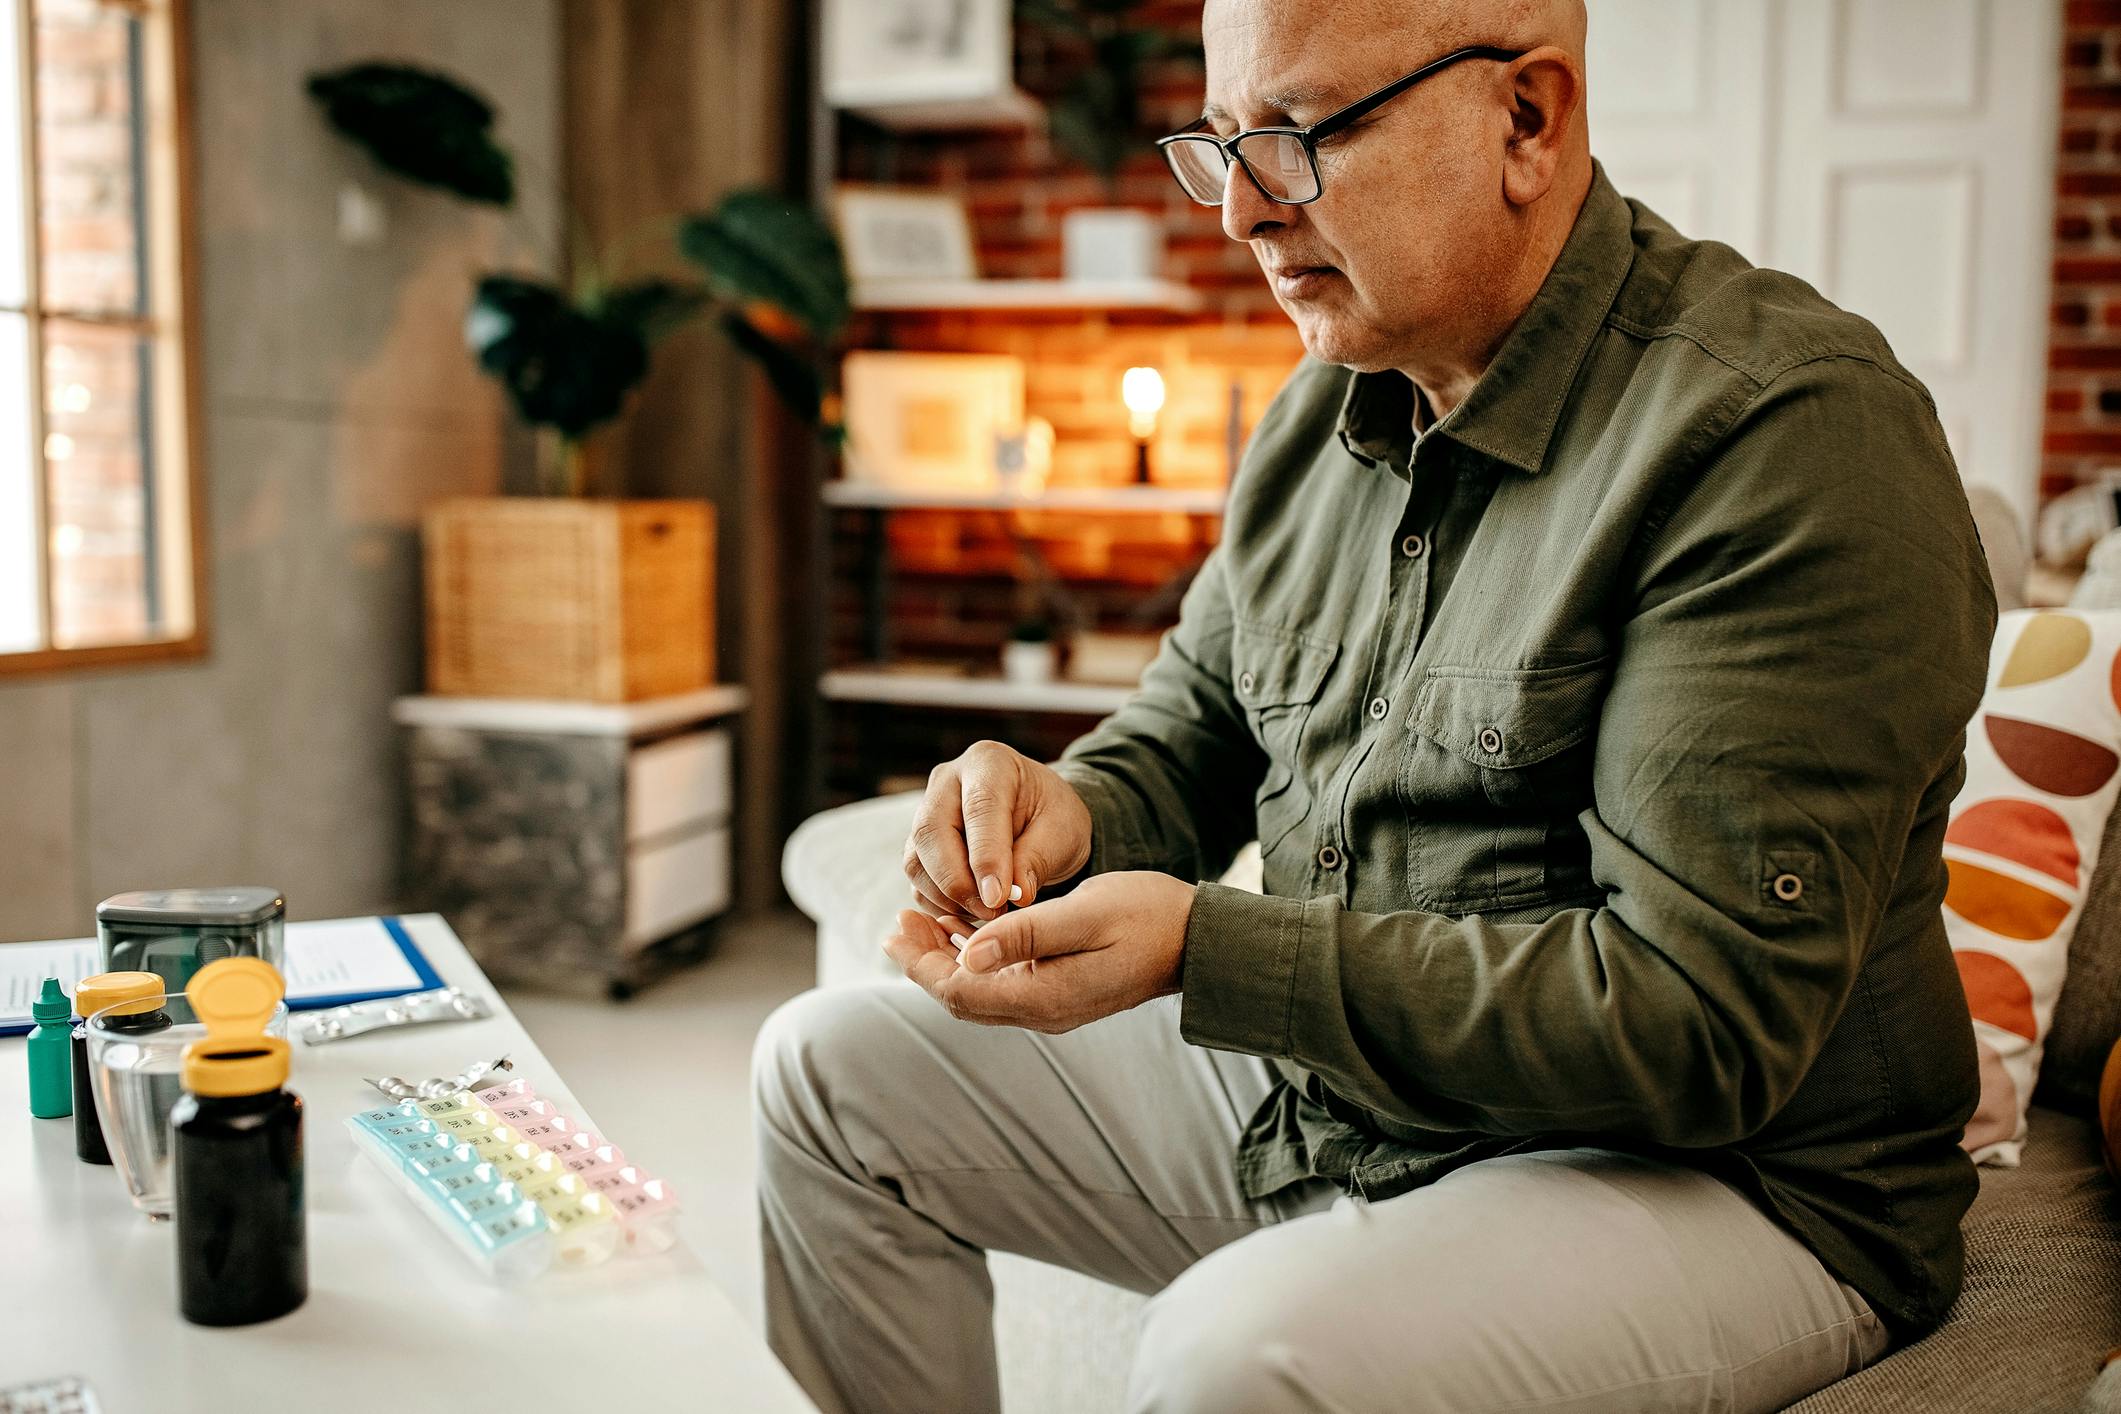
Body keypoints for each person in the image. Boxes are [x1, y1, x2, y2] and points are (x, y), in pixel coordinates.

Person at [753, 0, 1997, 1409]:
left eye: (1295, 135)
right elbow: (1192, 732)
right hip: (1352, 1102)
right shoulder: (1321, 408)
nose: (1239, 212)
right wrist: (1066, 810)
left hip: (1727, 1179)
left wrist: (1209, 950)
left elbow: (1698, 1025)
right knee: (824, 1071)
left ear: (1525, 119)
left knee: (1238, 1356)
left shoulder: (1783, 433)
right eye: (1220, 146)